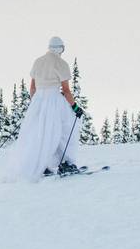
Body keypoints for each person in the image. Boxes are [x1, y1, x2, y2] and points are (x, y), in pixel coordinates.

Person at [6, 36, 85, 181]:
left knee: (38, 134)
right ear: (60, 48)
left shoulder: (38, 61)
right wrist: (75, 107)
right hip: (54, 100)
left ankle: (40, 165)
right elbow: (66, 90)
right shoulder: (61, 63)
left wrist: (36, 105)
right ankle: (66, 162)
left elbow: (32, 87)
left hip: (38, 101)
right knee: (63, 130)